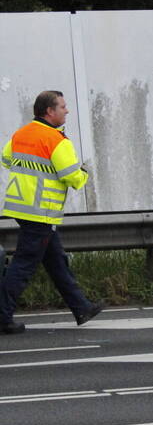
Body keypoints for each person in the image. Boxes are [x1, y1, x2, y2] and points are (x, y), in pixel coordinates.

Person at [0, 90, 104, 334]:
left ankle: (81, 307)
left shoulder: (22, 133)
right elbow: (72, 177)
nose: (67, 110)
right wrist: (84, 174)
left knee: (56, 260)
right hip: (41, 211)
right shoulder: (57, 140)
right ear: (49, 111)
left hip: (21, 207)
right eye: (62, 106)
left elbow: (6, 159)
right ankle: (2, 317)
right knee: (23, 265)